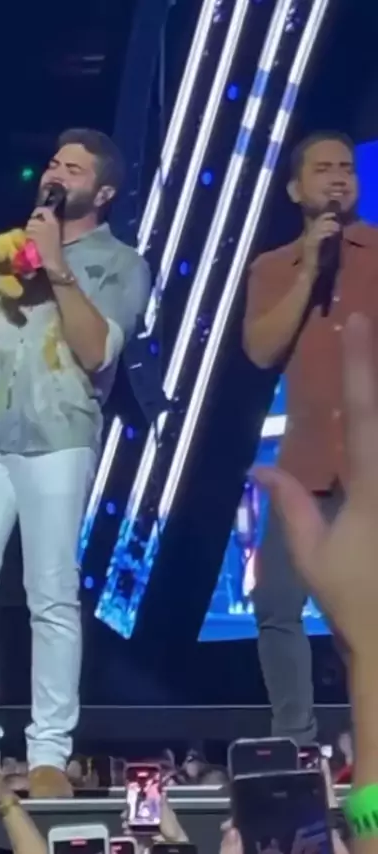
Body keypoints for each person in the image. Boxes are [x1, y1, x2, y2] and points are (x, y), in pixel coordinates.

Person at [0, 127, 151, 797]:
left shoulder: (122, 264)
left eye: (73, 168)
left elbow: (97, 351)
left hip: (59, 437)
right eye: (54, 162)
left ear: (103, 193)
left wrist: (57, 266)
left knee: (50, 595)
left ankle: (50, 750)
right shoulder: (8, 245)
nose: (55, 173)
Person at [242, 131, 378, 744]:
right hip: (306, 466)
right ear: (296, 189)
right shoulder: (273, 268)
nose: (338, 178)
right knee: (276, 603)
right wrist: (309, 272)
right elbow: (260, 349)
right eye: (323, 169)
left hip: (369, 468)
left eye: (346, 168)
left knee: (363, 616)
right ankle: (293, 742)